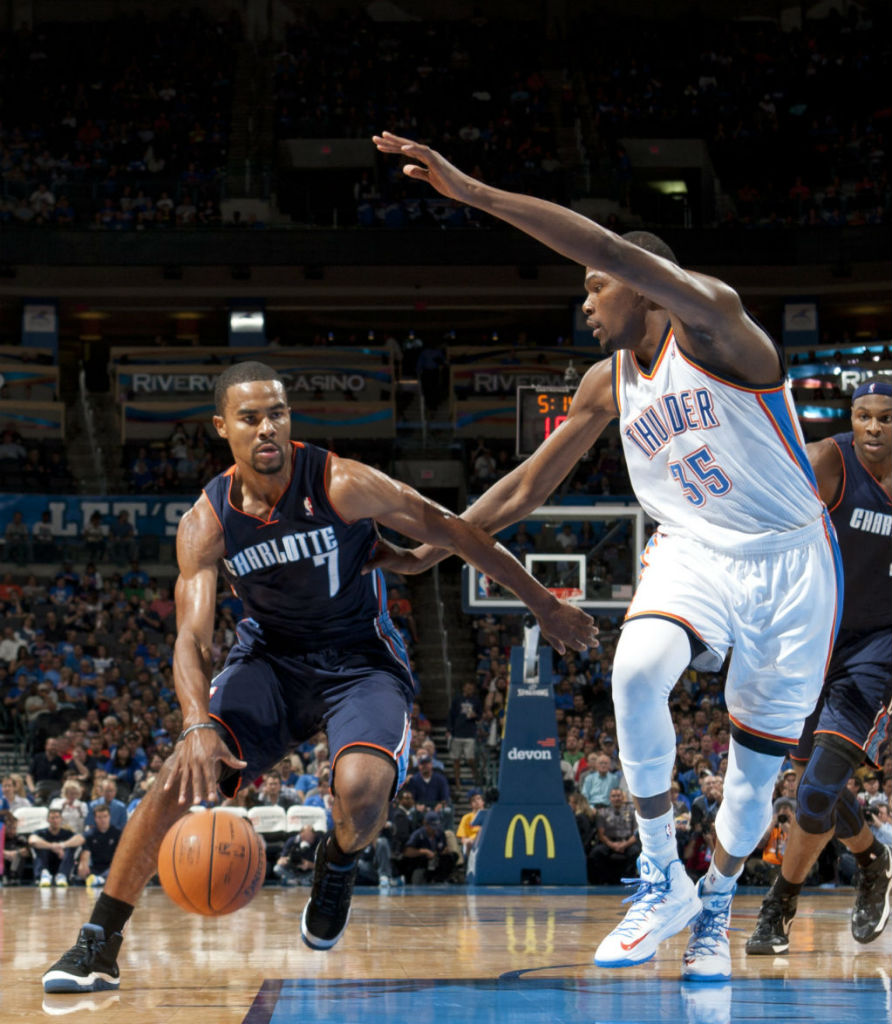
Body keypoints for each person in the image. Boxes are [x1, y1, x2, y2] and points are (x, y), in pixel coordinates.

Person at [371, 131, 841, 980]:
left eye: (595, 285)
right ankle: (662, 877)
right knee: (634, 670)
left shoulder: (720, 328)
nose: (585, 301)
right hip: (695, 548)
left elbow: (604, 242)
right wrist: (432, 548)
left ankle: (717, 907)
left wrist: (473, 192)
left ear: (644, 285)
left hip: (789, 563)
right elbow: (523, 488)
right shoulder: (605, 381)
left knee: (749, 786)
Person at [43, 360, 596, 994]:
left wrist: (541, 601)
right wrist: (197, 723)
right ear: (222, 427)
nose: (267, 429)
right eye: (250, 418)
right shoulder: (208, 521)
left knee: (362, 790)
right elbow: (191, 638)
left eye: (277, 413)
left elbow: (452, 530)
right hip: (271, 662)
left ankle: (337, 866)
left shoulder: (342, 483)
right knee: (178, 776)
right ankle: (98, 943)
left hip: (360, 660)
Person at [746, 379, 892, 955]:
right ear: (850, 419)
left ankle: (779, 907)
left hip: (876, 647)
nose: (875, 428)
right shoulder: (827, 462)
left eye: (886, 417)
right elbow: (761, 510)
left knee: (814, 792)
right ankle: (874, 860)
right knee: (815, 788)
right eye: (865, 416)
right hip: (810, 638)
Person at [29, 808, 83, 887]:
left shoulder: (67, 833)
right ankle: (44, 875)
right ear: (48, 820)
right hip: (46, 861)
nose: (55, 820)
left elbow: (80, 839)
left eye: (57, 817)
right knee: (40, 846)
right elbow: (32, 841)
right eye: (52, 818)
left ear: (61, 819)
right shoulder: (41, 832)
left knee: (71, 848)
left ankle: (62, 875)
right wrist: (52, 846)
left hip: (62, 862)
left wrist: (62, 845)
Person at [446, 681, 482, 794]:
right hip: (457, 733)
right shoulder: (457, 699)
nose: (469, 690)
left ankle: (475, 776)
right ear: (463, 688)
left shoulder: (476, 701)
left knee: (470, 759)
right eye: (467, 687)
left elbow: (480, 716)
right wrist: (449, 730)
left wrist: (475, 716)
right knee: (456, 760)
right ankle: (457, 782)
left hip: (470, 733)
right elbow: (451, 714)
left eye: (471, 688)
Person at [76, 803, 122, 888]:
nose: (103, 820)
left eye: (105, 816)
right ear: (95, 818)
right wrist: (83, 864)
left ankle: (101, 879)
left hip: (112, 867)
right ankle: (100, 879)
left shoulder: (118, 833)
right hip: (96, 867)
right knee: (80, 874)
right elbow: (86, 851)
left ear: (109, 817)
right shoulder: (90, 834)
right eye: (99, 817)